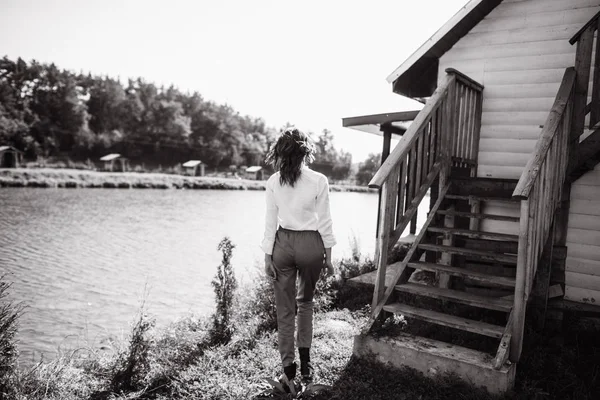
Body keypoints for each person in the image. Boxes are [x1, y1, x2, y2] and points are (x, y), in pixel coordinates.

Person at [261, 127, 336, 394]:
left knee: (285, 310)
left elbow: (270, 223)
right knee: (305, 303)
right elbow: (325, 221)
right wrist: (329, 256)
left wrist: (267, 256)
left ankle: (288, 372)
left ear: (279, 153)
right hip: (311, 245)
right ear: (306, 152)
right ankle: (305, 366)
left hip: (282, 245)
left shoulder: (273, 182)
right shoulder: (318, 180)